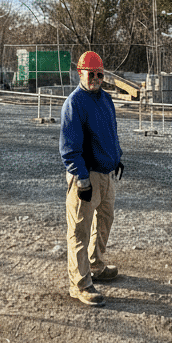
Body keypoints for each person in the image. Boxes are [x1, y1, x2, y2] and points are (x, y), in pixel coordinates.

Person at [59, 50, 124, 306]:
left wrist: (117, 157)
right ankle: (80, 284)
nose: (95, 79)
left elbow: (111, 133)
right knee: (79, 231)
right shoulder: (74, 103)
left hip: (106, 174)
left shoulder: (106, 99)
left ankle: (96, 265)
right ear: (80, 73)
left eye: (99, 74)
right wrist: (82, 180)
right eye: (91, 74)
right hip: (85, 177)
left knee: (105, 221)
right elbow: (69, 148)